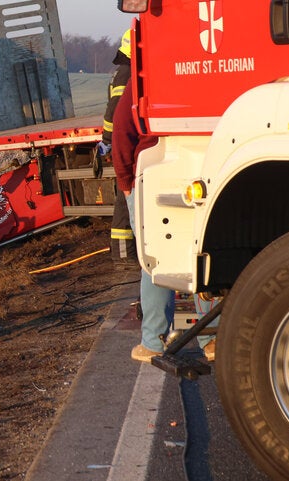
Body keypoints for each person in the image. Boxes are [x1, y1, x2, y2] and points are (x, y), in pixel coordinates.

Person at [111, 78, 176, 362]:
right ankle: (212, 338)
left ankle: (154, 341)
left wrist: (125, 179)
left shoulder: (144, 75)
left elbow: (122, 130)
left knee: (154, 258)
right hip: (197, 165)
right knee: (200, 250)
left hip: (150, 172)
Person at [98, 29, 139, 270]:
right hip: (122, 140)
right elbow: (115, 112)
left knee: (127, 196)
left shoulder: (125, 72)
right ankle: (123, 255)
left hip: (121, 139)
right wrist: (108, 139)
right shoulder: (125, 74)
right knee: (125, 198)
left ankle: (125, 253)